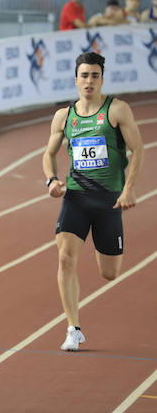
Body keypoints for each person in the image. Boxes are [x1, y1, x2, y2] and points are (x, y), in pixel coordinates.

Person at [42, 52, 143, 352]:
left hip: (109, 202)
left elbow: (138, 150)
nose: (89, 81)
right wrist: (51, 180)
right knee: (64, 258)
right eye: (84, 75)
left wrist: (129, 190)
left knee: (109, 273)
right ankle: (73, 328)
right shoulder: (64, 116)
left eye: (94, 76)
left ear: (101, 79)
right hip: (75, 197)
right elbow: (48, 154)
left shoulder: (117, 110)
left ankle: (106, 254)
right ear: (75, 80)